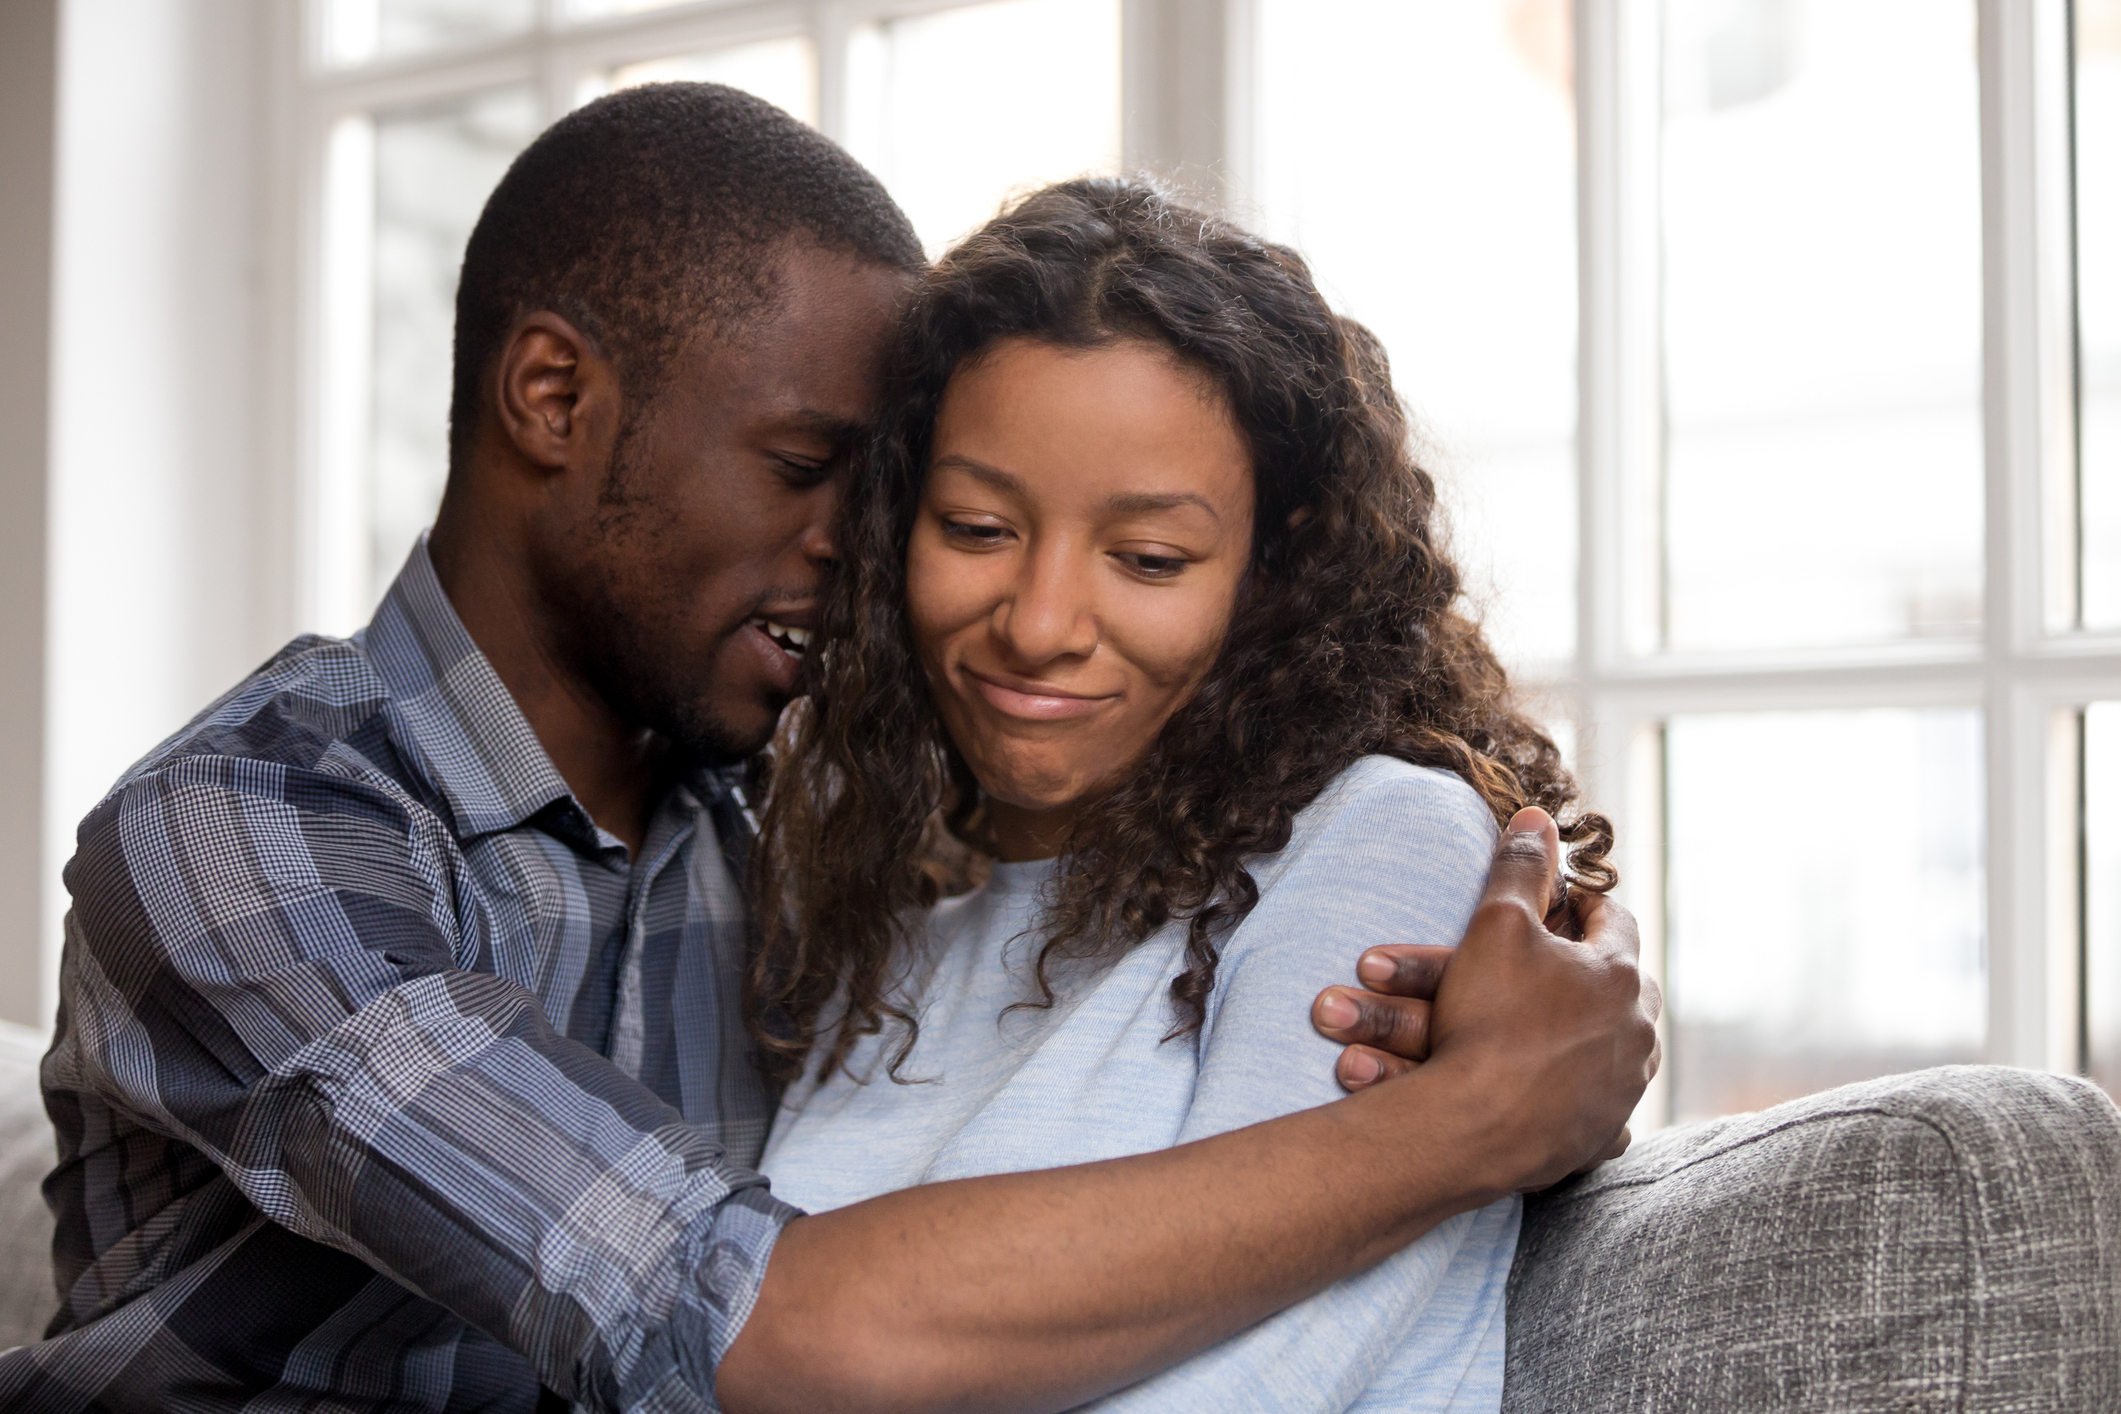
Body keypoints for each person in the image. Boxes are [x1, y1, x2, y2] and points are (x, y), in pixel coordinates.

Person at [0, 85, 1658, 1414]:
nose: (858, 548)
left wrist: (1543, 989)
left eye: (884, 492)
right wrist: (1467, 1121)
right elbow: (722, 1317)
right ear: (553, 397)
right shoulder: (244, 828)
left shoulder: (795, 820)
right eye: (812, 467)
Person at [752, 178, 1609, 1412]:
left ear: (1280, 567)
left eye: (1149, 559)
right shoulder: (876, 908)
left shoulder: (1379, 840)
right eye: (978, 526)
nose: (1039, 625)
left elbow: (1256, 1385)